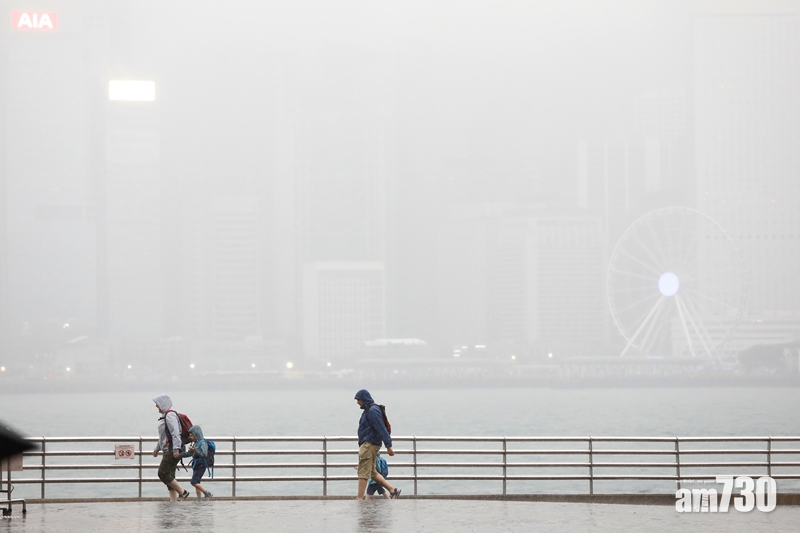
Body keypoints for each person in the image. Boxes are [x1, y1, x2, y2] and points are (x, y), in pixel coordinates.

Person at [354, 389, 400, 499]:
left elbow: (381, 428)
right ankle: (393, 490)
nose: (357, 402)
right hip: (370, 444)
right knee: (372, 472)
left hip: (369, 444)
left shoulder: (372, 411)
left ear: (364, 399)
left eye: (358, 400)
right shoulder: (369, 410)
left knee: (363, 473)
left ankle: (360, 500)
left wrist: (389, 446)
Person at [152, 395, 190, 501]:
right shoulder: (165, 416)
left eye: (158, 404)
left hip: (172, 450)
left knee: (162, 473)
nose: (156, 406)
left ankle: (183, 492)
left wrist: (176, 449)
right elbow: (163, 437)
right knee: (170, 476)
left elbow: (175, 433)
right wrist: (157, 449)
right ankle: (173, 503)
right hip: (169, 449)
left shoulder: (170, 416)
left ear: (163, 404)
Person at [181, 425, 213, 500]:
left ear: (197, 434)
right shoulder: (196, 443)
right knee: (197, 482)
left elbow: (203, 454)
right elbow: (189, 453)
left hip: (201, 464)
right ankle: (199, 498)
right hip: (196, 464)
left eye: (192, 436)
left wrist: (195, 450)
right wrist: (180, 455)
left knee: (194, 482)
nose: (191, 437)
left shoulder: (202, 443)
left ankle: (207, 493)